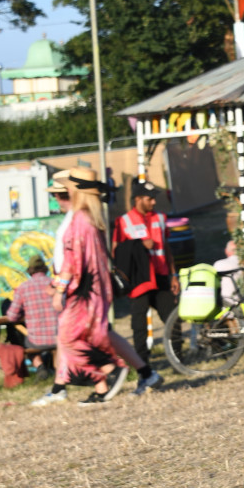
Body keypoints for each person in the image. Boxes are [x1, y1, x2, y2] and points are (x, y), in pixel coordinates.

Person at [34, 172, 163, 403]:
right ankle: (102, 384)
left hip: (84, 290)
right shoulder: (91, 219)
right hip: (93, 288)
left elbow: (73, 260)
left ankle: (110, 369)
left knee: (70, 336)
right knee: (86, 334)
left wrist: (60, 288)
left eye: (64, 193)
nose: (61, 198)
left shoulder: (79, 221)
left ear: (74, 193)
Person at [113, 179, 180, 366]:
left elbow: (166, 248)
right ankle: (142, 363)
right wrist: (139, 245)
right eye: (150, 199)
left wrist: (173, 275)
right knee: (139, 325)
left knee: (172, 317)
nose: (153, 202)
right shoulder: (123, 222)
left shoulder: (160, 218)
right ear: (138, 199)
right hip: (139, 279)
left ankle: (179, 357)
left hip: (161, 276)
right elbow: (117, 251)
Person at [5, 255, 59, 377]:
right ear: (44, 269)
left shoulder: (23, 288)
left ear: (30, 271)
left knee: (27, 343)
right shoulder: (55, 285)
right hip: (59, 336)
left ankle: (39, 366)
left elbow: (11, 316)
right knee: (57, 345)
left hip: (36, 339)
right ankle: (58, 370)